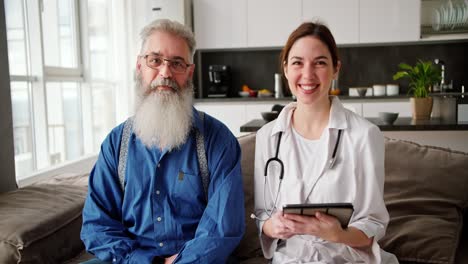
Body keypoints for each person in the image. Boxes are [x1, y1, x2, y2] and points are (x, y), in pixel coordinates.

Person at [81, 19, 245, 264]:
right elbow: (96, 225)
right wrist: (146, 261)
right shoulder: (116, 144)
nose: (165, 72)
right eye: (155, 60)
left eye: (177, 63)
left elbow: (222, 230)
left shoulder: (218, 141)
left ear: (189, 72)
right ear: (139, 66)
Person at [253, 22, 399, 263]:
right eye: (298, 63)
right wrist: (272, 227)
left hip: (346, 257)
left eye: (320, 63)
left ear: (335, 69)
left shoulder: (365, 135)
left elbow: (373, 223)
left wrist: (338, 233)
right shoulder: (267, 137)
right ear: (286, 69)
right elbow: (262, 216)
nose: (308, 75)